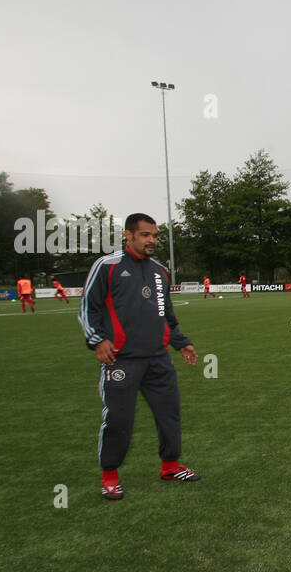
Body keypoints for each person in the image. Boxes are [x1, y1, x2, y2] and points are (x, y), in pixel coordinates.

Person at [80, 213, 201, 501]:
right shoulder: (107, 266)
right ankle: (110, 475)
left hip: (158, 359)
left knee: (169, 414)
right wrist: (97, 340)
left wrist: (181, 343)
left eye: (155, 236)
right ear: (129, 235)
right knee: (119, 419)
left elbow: (166, 315)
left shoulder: (159, 270)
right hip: (121, 360)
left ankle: (170, 466)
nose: (152, 241)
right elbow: (89, 307)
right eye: (146, 235)